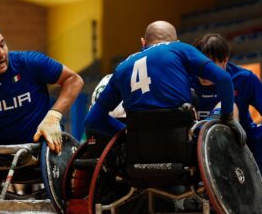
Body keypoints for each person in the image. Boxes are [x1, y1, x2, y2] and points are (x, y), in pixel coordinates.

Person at [85, 21, 244, 147]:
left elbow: (92, 120)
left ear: (143, 42)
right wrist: (228, 118)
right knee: (226, 106)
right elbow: (223, 79)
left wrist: (125, 134)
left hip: (139, 146)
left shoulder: (122, 68)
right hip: (181, 142)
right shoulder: (180, 48)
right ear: (176, 41)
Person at [0, 23, 84, 153]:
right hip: (5, 151)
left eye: (2, 45)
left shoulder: (29, 62)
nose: (1, 53)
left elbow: (74, 80)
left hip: (43, 149)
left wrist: (54, 115)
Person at [191, 34, 262, 177]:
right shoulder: (188, 78)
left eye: (210, 65)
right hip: (203, 140)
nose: (203, 72)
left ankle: (256, 180)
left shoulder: (244, 77)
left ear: (225, 60)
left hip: (241, 137)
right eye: (200, 64)